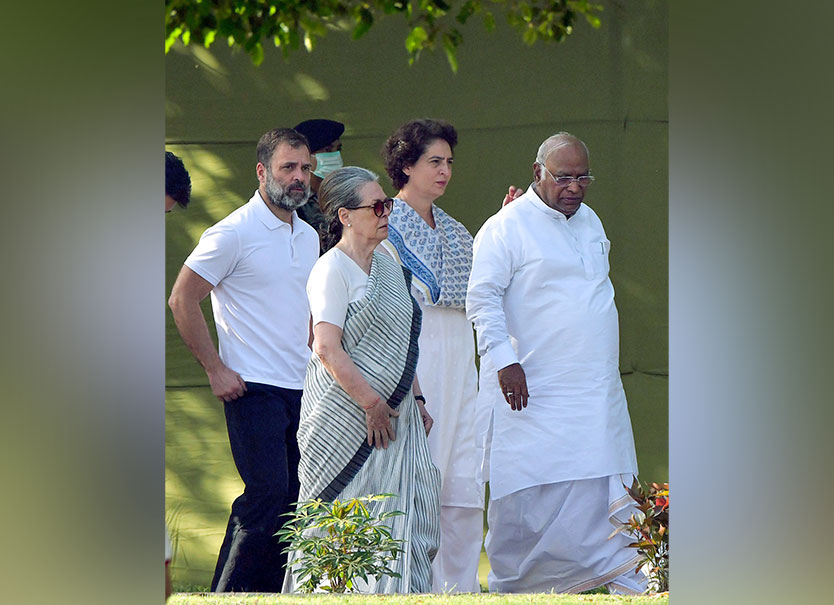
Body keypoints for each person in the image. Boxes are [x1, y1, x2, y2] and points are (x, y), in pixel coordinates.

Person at [466, 132, 646, 594]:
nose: (574, 187)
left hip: (594, 387)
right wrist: (504, 360)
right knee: (533, 491)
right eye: (563, 177)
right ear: (536, 173)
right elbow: (482, 299)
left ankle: (623, 577)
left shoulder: (590, 221)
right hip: (533, 389)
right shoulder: (505, 227)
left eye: (583, 177)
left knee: (603, 477)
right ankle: (520, 587)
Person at [167, 128, 319, 592]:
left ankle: (263, 597)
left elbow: (310, 318)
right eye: (288, 168)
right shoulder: (232, 233)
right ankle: (227, 596)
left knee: (293, 501)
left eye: (306, 169)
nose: (299, 178)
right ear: (261, 172)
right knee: (268, 494)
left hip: (304, 390)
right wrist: (215, 369)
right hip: (251, 388)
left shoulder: (311, 236)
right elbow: (181, 299)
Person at [285, 166, 441, 594]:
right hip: (347, 420)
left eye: (386, 203)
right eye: (376, 206)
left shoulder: (389, 265)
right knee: (341, 530)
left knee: (410, 514)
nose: (385, 212)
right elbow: (326, 348)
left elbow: (401, 344)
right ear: (344, 216)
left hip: (398, 417)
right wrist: (372, 404)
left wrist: (419, 400)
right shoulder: (331, 270)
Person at [378, 118, 484, 593]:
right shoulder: (382, 222)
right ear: (405, 165)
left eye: (449, 163)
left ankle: (459, 589)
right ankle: (415, 589)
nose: (444, 171)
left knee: (464, 478)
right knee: (422, 479)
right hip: (417, 362)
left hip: (462, 360)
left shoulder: (457, 230)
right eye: (434, 162)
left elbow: (480, 284)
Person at [293, 118, 345, 250]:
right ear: (306, 157)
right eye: (327, 150)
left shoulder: (343, 196)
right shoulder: (290, 200)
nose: (335, 155)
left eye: (338, 149)